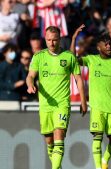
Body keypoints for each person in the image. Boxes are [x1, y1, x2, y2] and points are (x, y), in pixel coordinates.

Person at [71, 24, 111, 169]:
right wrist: (74, 38)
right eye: (105, 44)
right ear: (98, 48)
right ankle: (99, 167)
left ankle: (105, 160)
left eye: (109, 43)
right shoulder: (91, 60)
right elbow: (73, 59)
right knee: (97, 137)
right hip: (97, 107)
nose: (108, 46)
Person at [26, 26, 87, 169]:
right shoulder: (39, 57)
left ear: (59, 39)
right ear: (45, 39)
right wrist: (30, 85)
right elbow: (30, 76)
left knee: (59, 135)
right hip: (46, 104)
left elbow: (78, 79)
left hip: (62, 103)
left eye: (54, 40)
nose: (51, 43)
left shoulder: (69, 57)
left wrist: (83, 101)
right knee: (50, 142)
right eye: (48, 40)